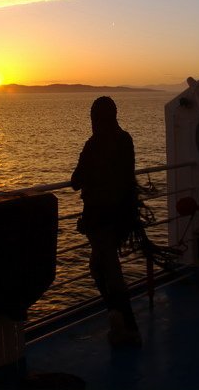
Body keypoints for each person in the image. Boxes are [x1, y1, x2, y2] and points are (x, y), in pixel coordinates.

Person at [71, 96, 141, 347]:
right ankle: (119, 319)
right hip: (122, 216)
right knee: (103, 266)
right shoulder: (126, 140)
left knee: (108, 270)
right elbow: (127, 178)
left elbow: (75, 181)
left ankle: (126, 325)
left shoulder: (93, 144)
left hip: (99, 218)